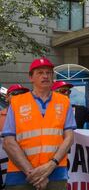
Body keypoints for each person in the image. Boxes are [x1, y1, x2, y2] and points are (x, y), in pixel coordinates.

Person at [2, 57, 76, 189]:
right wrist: (32, 172)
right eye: (40, 73)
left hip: (56, 171)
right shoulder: (17, 102)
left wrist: (51, 165)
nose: (45, 76)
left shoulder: (64, 102)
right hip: (20, 173)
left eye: (48, 73)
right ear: (31, 78)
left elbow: (69, 137)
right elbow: (8, 142)